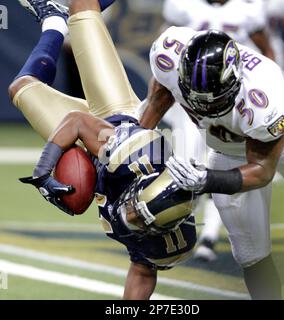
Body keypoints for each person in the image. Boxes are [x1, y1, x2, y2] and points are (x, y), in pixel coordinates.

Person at [9, 0, 197, 300]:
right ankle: (64, 12)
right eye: (138, 209)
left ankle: (53, 22)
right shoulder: (130, 155)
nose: (132, 214)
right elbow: (76, 123)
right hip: (115, 116)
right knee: (82, 6)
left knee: (21, 89)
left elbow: (143, 270)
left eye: (138, 218)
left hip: (98, 151)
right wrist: (44, 171)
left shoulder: (170, 245)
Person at [140, 25, 284, 299]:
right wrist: (137, 139)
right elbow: (161, 94)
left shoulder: (262, 98)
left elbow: (263, 170)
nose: (202, 107)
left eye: (211, 101)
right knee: (250, 253)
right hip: (227, 149)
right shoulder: (169, 53)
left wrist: (206, 180)